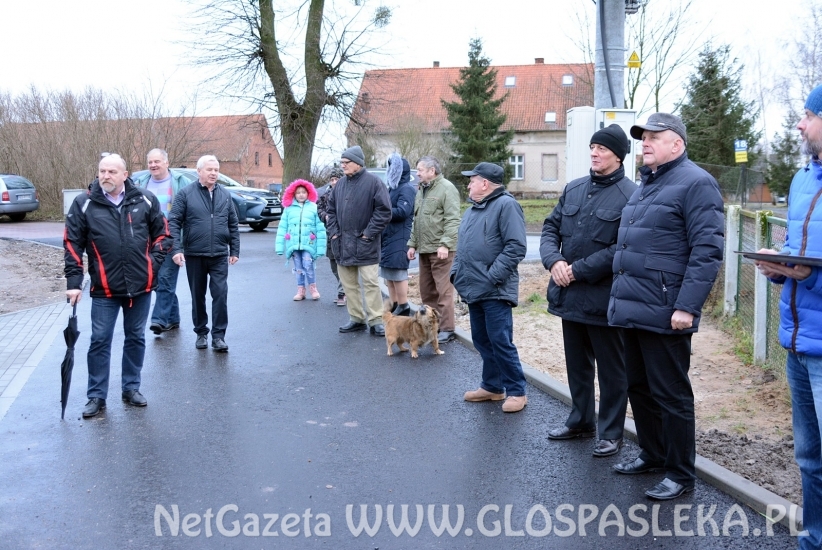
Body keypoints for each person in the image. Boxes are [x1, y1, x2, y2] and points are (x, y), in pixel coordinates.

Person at [608, 113, 724, 500]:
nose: (645, 143)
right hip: (633, 308)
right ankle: (653, 453)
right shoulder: (646, 186)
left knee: (671, 395)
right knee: (638, 387)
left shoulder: (696, 183)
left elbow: (707, 252)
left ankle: (679, 472)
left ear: (677, 144)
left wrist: (687, 306)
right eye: (642, 138)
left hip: (666, 310)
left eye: (654, 137)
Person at [540, 125, 636, 457]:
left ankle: (610, 432)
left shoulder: (630, 195)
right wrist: (554, 261)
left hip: (604, 299)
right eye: (592, 147)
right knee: (577, 365)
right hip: (569, 298)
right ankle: (580, 420)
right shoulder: (575, 188)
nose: (594, 153)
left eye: (602, 149)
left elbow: (620, 249)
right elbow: (551, 227)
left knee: (613, 371)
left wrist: (576, 270)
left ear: (618, 155)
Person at [754, 84, 822, 549]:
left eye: (808, 115)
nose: (800, 124)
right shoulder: (802, 178)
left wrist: (806, 274)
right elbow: (799, 251)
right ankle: (813, 538)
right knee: (808, 457)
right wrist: (777, 265)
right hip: (797, 343)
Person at [64, 154, 171, 418]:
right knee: (100, 340)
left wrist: (152, 266)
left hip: (140, 288)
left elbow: (163, 235)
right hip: (104, 289)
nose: (105, 176)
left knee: (135, 337)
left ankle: (131, 388)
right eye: (102, 171)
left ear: (125, 175)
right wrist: (74, 283)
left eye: (112, 171)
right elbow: (72, 244)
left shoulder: (145, 199)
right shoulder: (84, 203)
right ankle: (96, 396)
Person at [451, 162, 528, 413]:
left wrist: (492, 276)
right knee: (482, 339)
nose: (469, 184)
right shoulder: (473, 209)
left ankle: (516, 390)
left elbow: (516, 246)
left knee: (500, 340)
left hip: (494, 289)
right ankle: (493, 387)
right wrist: (456, 274)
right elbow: (463, 246)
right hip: (473, 287)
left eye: (472, 180)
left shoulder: (507, 205)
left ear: (485, 183)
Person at [168, 155, 240, 352]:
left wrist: (234, 249)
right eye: (209, 169)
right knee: (197, 295)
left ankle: (218, 336)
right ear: (199, 171)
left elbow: (232, 223)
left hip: (218, 254)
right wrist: (176, 249)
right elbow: (173, 221)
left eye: (216, 170)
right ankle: (201, 333)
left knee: (220, 294)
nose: (214, 173)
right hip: (194, 254)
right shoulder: (185, 194)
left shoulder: (225, 194)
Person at [325, 145, 392, 336]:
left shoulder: (374, 183)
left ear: (358, 163)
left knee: (371, 283)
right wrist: (334, 234)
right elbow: (330, 211)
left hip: (366, 244)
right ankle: (357, 318)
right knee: (349, 284)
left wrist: (368, 234)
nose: (343, 166)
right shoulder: (340, 186)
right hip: (342, 244)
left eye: (346, 162)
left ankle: (376, 320)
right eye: (342, 162)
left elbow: (384, 211)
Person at [132, 148, 191, 335]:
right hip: (146, 241)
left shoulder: (181, 183)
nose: (153, 165)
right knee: (157, 280)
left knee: (165, 279)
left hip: (171, 238)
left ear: (166, 162)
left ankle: (158, 319)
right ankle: (173, 318)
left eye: (157, 161)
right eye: (150, 162)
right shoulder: (140, 183)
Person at [407, 155, 461, 343]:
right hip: (425, 249)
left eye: (420, 170)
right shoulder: (421, 190)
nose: (418, 173)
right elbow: (416, 220)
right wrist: (412, 244)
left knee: (443, 291)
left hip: (441, 250)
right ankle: (431, 326)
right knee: (427, 290)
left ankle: (447, 328)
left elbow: (453, 219)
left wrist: (445, 244)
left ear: (432, 171)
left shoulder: (447, 188)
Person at [276, 179, 327, 300]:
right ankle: (301, 290)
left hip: (309, 243)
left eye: (303, 192)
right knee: (298, 267)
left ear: (308, 193)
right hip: (293, 244)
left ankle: (313, 288)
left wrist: (321, 248)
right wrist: (279, 247)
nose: (301, 194)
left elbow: (320, 229)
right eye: (298, 192)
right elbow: (282, 227)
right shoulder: (288, 209)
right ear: (293, 194)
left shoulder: (314, 208)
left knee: (308, 264)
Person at [380, 153, 415, 316]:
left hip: (400, 237)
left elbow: (403, 211)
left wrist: (382, 212)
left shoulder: (407, 188)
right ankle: (394, 304)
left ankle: (404, 305)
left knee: (398, 273)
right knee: (390, 273)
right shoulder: (393, 188)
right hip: (390, 236)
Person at [317, 166, 346, 306]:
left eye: (337, 179)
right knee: (333, 264)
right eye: (332, 179)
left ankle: (343, 292)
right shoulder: (325, 195)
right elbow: (320, 209)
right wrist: (325, 216)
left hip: (343, 235)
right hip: (330, 234)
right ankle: (344, 288)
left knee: (342, 264)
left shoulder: (347, 194)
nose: (334, 182)